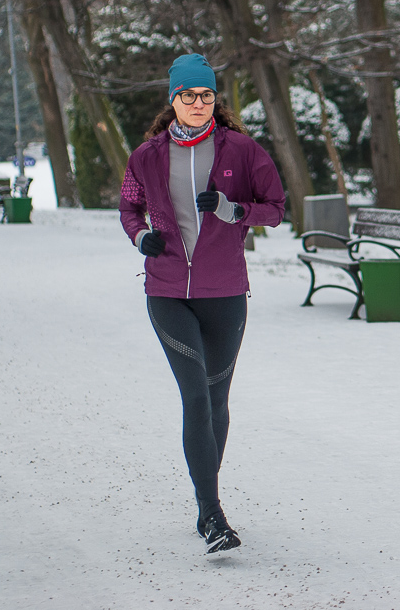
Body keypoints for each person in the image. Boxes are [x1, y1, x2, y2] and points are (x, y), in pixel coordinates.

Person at [119, 53, 285, 554]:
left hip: (226, 294)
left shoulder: (243, 150)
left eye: (206, 96)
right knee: (195, 396)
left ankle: (203, 505)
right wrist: (140, 235)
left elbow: (276, 209)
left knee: (216, 401)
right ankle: (213, 515)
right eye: (188, 96)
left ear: (216, 100)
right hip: (167, 291)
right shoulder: (147, 155)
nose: (197, 104)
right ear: (172, 101)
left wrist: (235, 210)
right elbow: (129, 205)